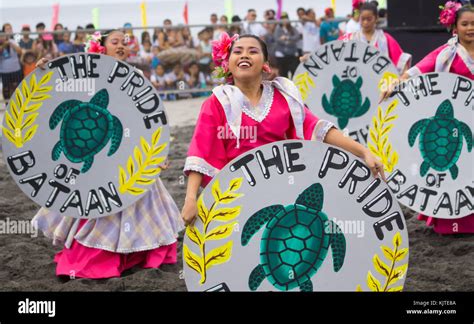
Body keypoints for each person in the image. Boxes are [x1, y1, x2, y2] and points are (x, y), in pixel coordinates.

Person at [181, 33, 385, 225]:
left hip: (281, 191)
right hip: (236, 196)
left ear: (266, 65)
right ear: (228, 63)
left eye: (253, 51)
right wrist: (190, 198)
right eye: (238, 51)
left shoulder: (284, 97)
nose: (244, 54)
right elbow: (200, 151)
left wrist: (363, 152)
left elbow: (318, 128)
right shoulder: (217, 103)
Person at [32, 30, 184, 278]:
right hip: (98, 164)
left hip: (132, 156)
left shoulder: (136, 77)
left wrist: (159, 151)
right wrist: (46, 71)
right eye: (115, 42)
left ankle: (135, 255)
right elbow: (57, 91)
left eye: (125, 42)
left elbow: (150, 118)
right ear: (100, 47)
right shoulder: (86, 75)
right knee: (99, 205)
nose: (122, 46)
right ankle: (95, 259)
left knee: (141, 203)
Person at [381, 3, 474, 235]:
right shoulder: (446, 54)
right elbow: (419, 70)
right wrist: (396, 81)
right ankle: (453, 224)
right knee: (459, 172)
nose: (470, 28)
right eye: (465, 24)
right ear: (454, 26)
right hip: (454, 127)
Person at [340, 2, 411, 74]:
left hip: (381, 82)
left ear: (376, 18)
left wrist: (403, 77)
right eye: (363, 19)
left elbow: (401, 62)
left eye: (369, 19)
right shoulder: (350, 38)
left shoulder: (386, 39)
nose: (365, 22)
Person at [273, 12, 300, 78]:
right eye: (282, 19)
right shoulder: (278, 29)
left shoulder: (292, 28)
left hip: (292, 54)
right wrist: (288, 42)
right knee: (283, 74)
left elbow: (297, 37)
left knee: (294, 72)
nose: (284, 20)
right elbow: (277, 39)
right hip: (281, 55)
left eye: (285, 18)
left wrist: (286, 38)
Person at [0, 29, 23, 101]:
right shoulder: (2, 45)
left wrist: (11, 44)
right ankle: (7, 104)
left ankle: (17, 103)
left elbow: (20, 51)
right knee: (6, 89)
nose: (2, 38)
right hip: (4, 71)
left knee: (16, 87)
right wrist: (4, 45)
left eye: (3, 36)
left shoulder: (12, 41)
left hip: (15, 69)